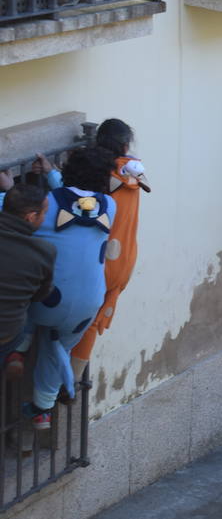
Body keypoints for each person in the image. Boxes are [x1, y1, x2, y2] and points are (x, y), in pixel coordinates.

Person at [12, 147, 116, 432]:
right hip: (88, 304)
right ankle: (42, 409)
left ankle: (18, 349)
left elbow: (14, 209)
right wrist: (53, 175)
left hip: (47, 299)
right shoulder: (109, 205)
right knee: (56, 346)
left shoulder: (45, 205)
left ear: (69, 171)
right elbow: (77, 203)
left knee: (24, 296)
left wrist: (11, 188)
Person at [68, 119, 151, 378]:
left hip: (99, 259)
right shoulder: (133, 173)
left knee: (69, 319)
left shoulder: (101, 174)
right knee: (92, 323)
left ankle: (62, 379)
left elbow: (75, 200)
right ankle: (73, 379)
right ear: (125, 145)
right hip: (124, 259)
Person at [0, 183, 55, 378]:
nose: (45, 218)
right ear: (31, 217)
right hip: (7, 333)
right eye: (44, 213)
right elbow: (40, 294)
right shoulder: (43, 251)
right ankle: (12, 356)